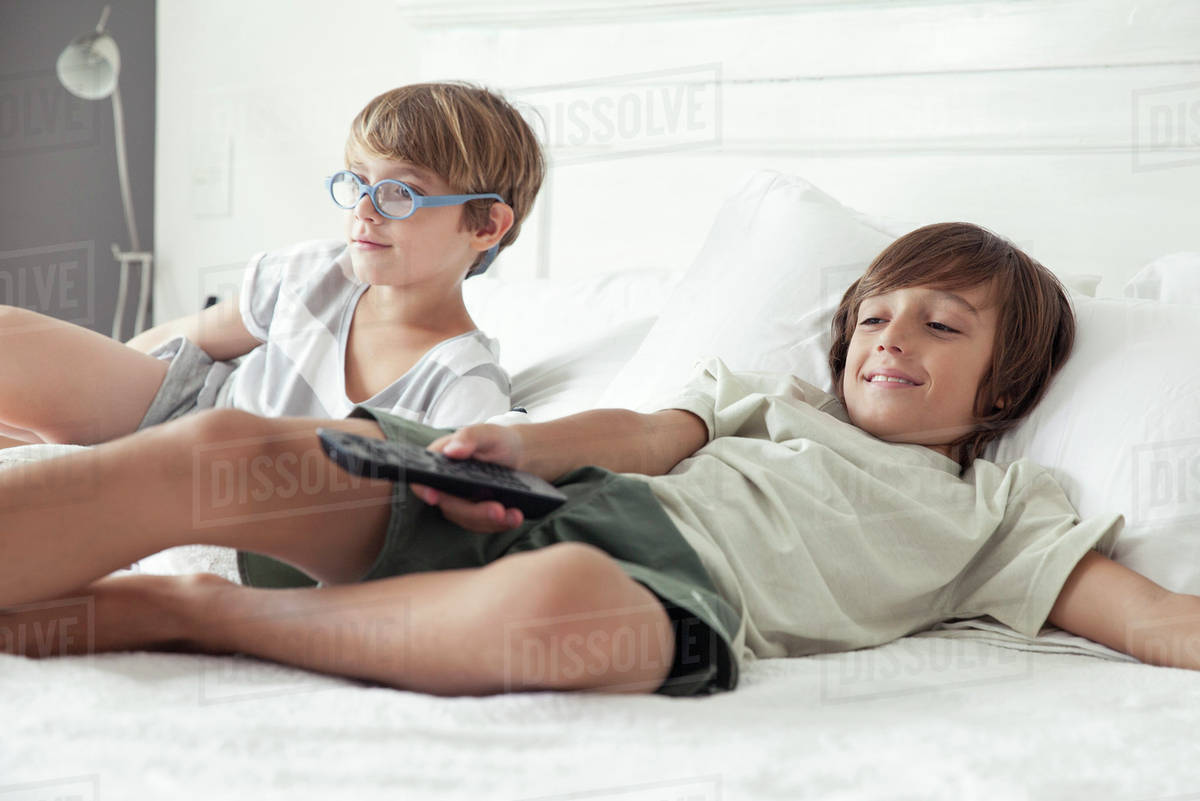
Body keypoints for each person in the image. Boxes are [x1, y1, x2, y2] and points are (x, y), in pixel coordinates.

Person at [2, 223, 1198, 697]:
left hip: (661, 583)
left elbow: (1153, 620)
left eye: (941, 326)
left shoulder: (1000, 512)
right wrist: (517, 446)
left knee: (566, 609)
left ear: (1008, 384)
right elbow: (643, 434)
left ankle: (201, 613)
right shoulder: (764, 400)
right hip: (541, 493)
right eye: (875, 318)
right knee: (234, 449)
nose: (892, 339)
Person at [0, 82, 545, 449]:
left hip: (232, 480)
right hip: (177, 407)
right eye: (358, 182)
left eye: (400, 192)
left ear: (485, 226)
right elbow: (182, 340)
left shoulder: (462, 383)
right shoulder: (313, 272)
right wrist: (89, 395)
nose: (363, 211)